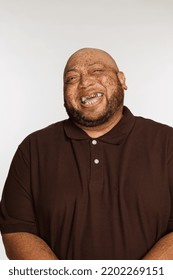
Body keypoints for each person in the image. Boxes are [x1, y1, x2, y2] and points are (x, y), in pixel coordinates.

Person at [0, 48, 173, 260]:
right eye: (72, 78)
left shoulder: (167, 143)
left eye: (97, 70)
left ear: (122, 80)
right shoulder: (33, 149)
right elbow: (16, 230)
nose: (84, 83)